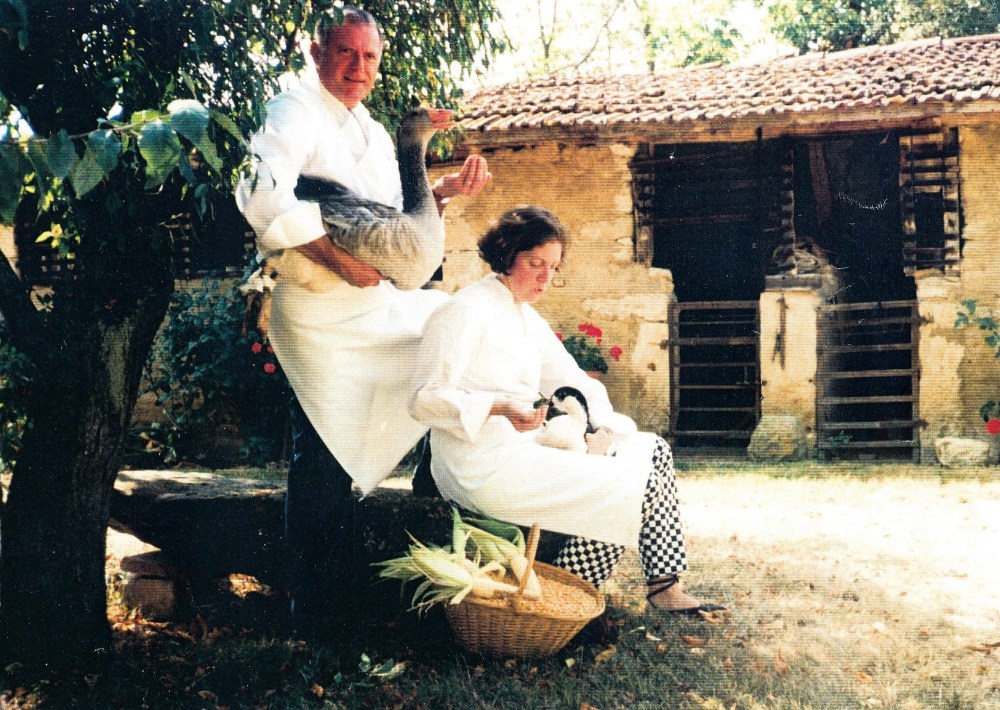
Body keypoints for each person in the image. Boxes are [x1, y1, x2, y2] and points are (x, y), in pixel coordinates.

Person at [235, 6, 491, 627]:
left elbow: (387, 221)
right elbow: (257, 188)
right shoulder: (293, 108)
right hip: (319, 307)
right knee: (321, 450)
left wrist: (442, 192)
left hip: (373, 302)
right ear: (316, 52)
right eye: (346, 53)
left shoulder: (373, 132)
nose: (358, 67)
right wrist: (331, 257)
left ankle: (429, 535)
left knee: (447, 350)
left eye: (369, 56)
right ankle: (314, 609)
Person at [408, 206, 723, 614]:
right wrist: (497, 408)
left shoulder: (523, 314)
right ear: (506, 257)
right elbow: (423, 399)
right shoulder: (463, 310)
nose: (545, 277)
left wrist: (600, 426)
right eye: (535, 263)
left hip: (522, 450)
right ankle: (568, 590)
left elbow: (572, 381)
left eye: (553, 267)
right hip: (478, 464)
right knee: (633, 486)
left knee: (652, 451)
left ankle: (663, 584)